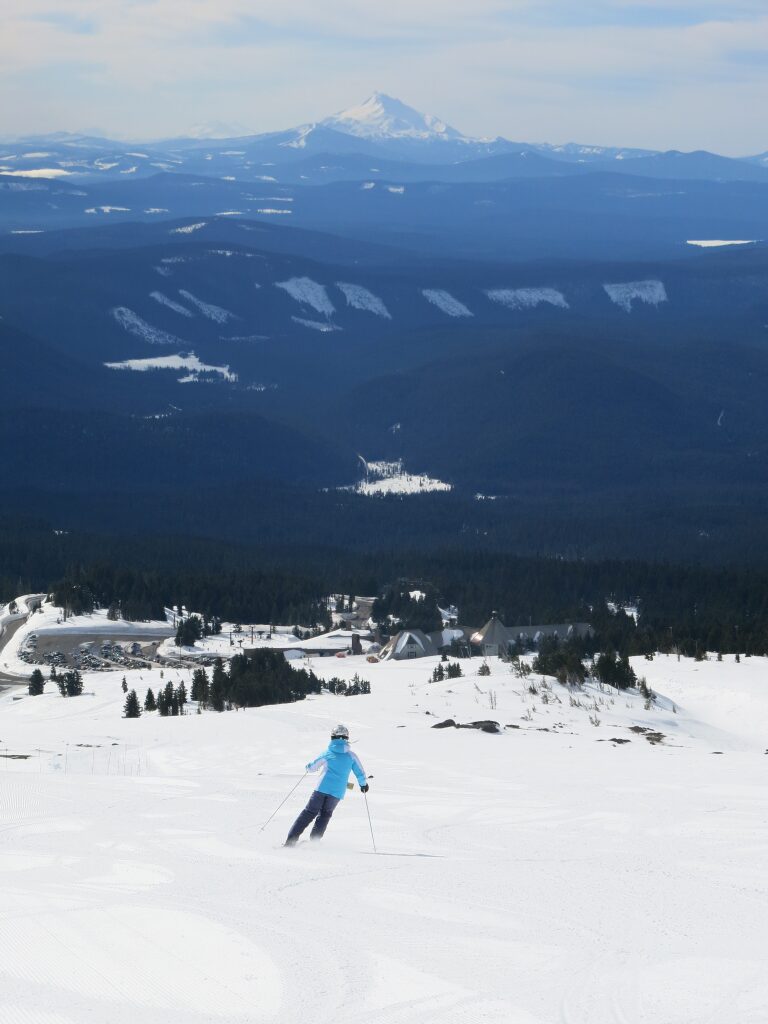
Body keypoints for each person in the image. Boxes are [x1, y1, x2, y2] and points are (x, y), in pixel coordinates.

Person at [284, 724, 368, 846]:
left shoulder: (327, 753)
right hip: (337, 792)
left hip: (321, 789)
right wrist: (363, 785)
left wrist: (308, 766)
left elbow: (312, 768)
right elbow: (360, 773)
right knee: (325, 815)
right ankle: (314, 842)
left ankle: (290, 841)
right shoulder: (351, 756)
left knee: (309, 813)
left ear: (332, 737)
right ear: (346, 738)